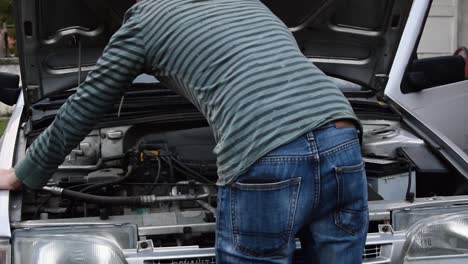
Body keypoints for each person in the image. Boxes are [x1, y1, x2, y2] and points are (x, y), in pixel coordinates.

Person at [0, 0, 368, 263]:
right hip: (341, 134)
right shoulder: (250, 3)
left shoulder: (144, 20)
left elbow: (85, 105)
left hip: (268, 149)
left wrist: (24, 174)